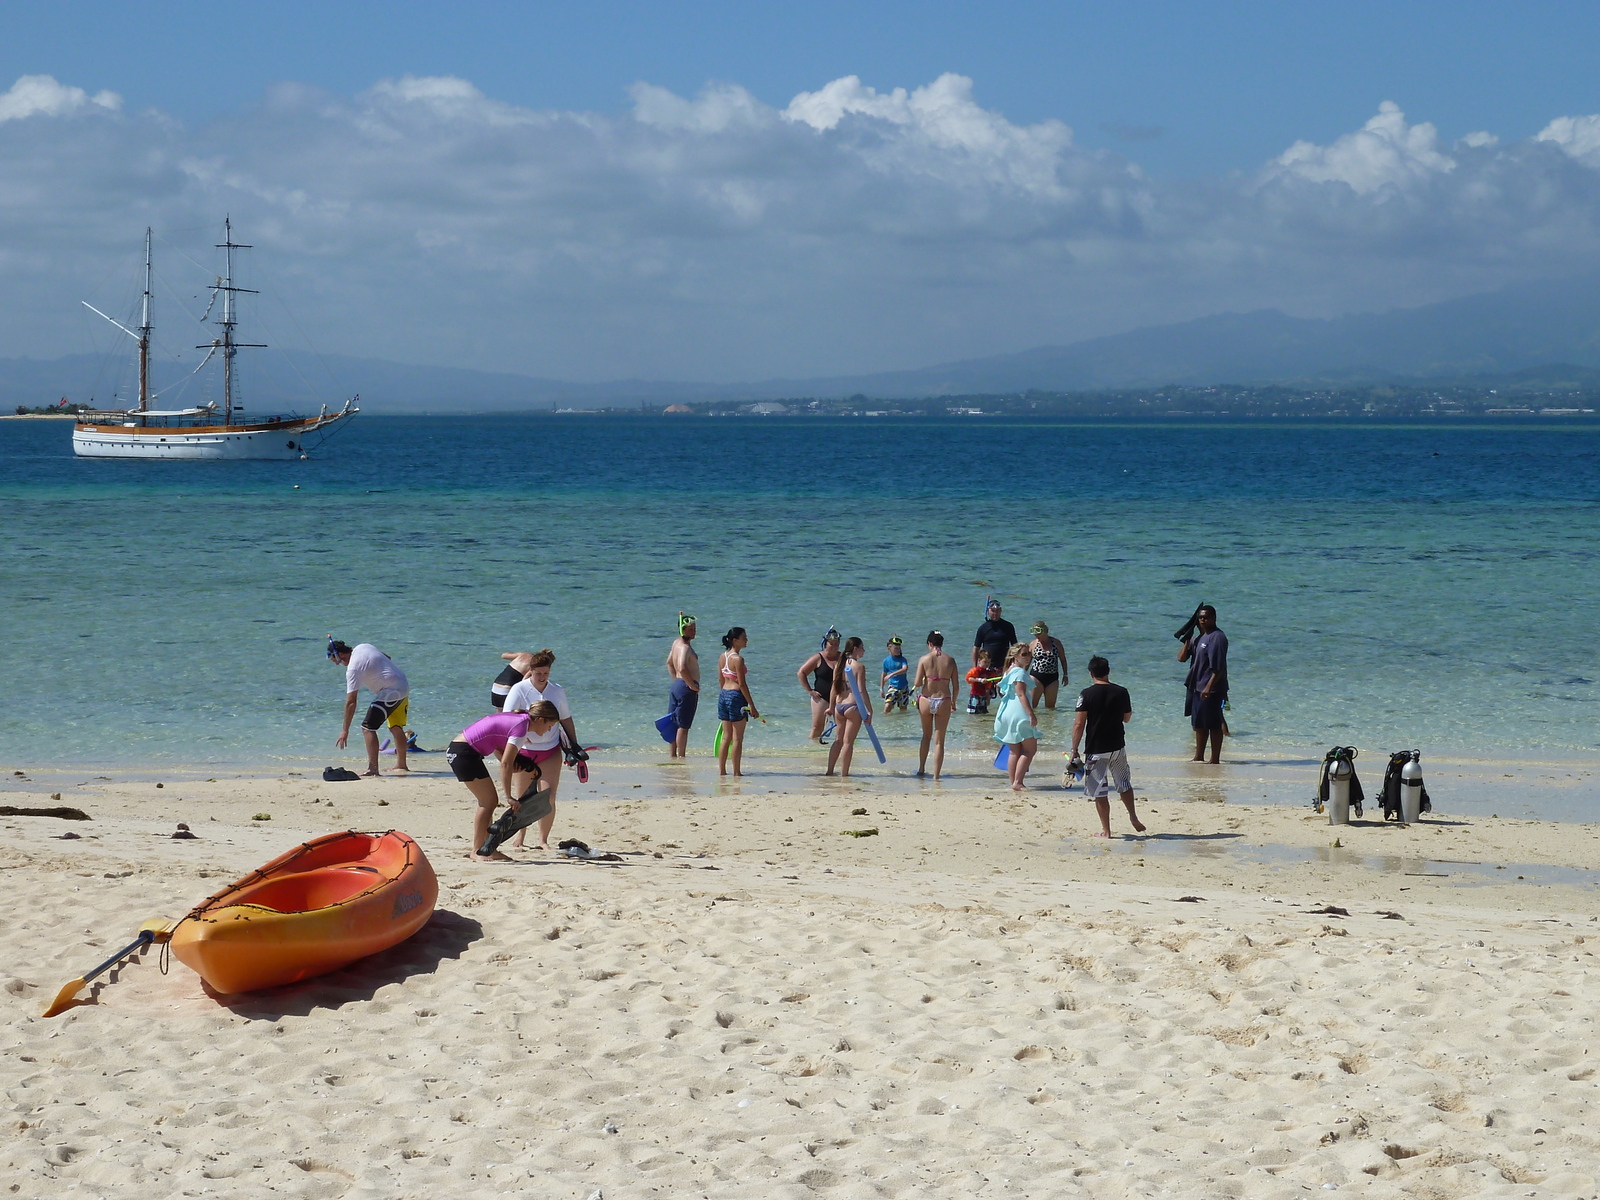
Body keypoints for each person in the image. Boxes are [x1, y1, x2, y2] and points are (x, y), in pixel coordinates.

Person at [445, 701, 560, 862]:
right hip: (463, 753)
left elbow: (496, 746)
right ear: (541, 719)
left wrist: (515, 765)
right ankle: (477, 850)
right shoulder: (521, 728)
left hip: (462, 751)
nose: (550, 730)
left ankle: (488, 849)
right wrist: (509, 796)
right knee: (488, 802)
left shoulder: (521, 720)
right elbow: (505, 764)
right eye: (550, 725)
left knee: (489, 801)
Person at [502, 649, 579, 851]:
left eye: (546, 673)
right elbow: (506, 718)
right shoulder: (519, 689)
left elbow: (566, 718)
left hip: (550, 749)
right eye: (538, 673)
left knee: (548, 796)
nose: (542, 677)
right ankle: (520, 834)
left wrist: (574, 744)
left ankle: (543, 839)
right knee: (522, 798)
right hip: (525, 750)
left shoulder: (556, 691)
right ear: (531, 671)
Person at [1069, 656, 1146, 837]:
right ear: (1108, 671)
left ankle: (1106, 831)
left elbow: (1079, 725)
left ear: (1091, 673)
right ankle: (1133, 816)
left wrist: (1074, 750)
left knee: (1099, 791)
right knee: (1124, 783)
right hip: (1117, 746)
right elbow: (1127, 718)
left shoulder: (1085, 694)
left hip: (1096, 749)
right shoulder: (1122, 692)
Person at [328, 638, 409, 776]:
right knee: (395, 726)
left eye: (334, 659)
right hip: (403, 684)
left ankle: (373, 769)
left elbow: (351, 702)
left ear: (340, 654)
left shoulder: (352, 669)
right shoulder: (363, 646)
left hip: (391, 691)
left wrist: (344, 730)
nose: (336, 664)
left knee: (367, 727)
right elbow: (387, 657)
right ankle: (401, 764)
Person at [1178, 604, 1229, 764]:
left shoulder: (1217, 637)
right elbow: (1181, 658)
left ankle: (1214, 759)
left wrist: (1209, 686)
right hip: (1196, 686)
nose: (1202, 620)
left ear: (1213, 618)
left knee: (1214, 724)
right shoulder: (1199, 638)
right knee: (1198, 724)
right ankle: (1198, 756)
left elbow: (1218, 667)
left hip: (1212, 689)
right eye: (1200, 617)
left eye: (1206, 617)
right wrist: (1187, 639)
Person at [912, 630, 959, 780]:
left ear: (929, 644)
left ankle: (921, 769)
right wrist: (954, 701)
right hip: (944, 699)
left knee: (926, 736)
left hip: (926, 699)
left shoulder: (924, 659)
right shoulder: (950, 660)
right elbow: (956, 686)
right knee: (939, 741)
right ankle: (936, 775)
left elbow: (917, 683)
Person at [992, 643, 1040, 791]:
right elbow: (1021, 694)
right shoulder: (1019, 672)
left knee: (1014, 750)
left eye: (1028, 654)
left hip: (1007, 712)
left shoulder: (1009, 670)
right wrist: (1031, 714)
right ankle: (1018, 782)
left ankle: (1014, 782)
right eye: (1024, 654)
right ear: (1015, 656)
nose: (1028, 658)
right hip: (1019, 713)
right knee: (1030, 750)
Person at [716, 627, 760, 777]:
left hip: (724, 694)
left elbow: (721, 680)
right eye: (744, 638)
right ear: (735, 640)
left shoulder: (723, 657)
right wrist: (752, 706)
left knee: (726, 737)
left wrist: (725, 695)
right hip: (736, 695)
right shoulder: (738, 659)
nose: (746, 640)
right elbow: (742, 684)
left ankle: (722, 771)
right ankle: (736, 772)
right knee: (737, 738)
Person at [825, 637, 871, 777]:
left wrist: (831, 707)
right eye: (862, 647)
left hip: (839, 705)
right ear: (855, 648)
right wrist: (870, 710)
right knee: (848, 743)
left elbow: (834, 687)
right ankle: (844, 774)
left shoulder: (839, 664)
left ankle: (830, 771)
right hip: (852, 707)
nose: (864, 650)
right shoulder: (859, 667)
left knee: (838, 740)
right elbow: (862, 691)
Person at [796, 628, 843, 742]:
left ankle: (841, 748)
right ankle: (813, 751)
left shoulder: (843, 658)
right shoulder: (818, 658)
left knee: (842, 727)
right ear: (825, 644)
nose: (834, 646)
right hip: (820, 697)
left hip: (840, 697)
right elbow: (801, 673)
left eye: (836, 644)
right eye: (831, 644)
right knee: (817, 727)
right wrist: (810, 691)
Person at [665, 612, 699, 758]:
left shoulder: (675, 643)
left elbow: (669, 662)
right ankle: (681, 757)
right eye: (690, 629)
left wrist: (676, 681)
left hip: (677, 686)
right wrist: (691, 685)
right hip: (685, 688)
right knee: (683, 726)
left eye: (694, 628)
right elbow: (681, 667)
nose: (694, 631)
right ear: (682, 630)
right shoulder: (684, 647)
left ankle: (673, 755)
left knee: (674, 722)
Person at [1027, 621, 1069, 710]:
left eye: (1039, 633)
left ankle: (1049, 724)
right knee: (1032, 706)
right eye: (1035, 634)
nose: (1037, 636)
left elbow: (1063, 659)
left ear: (1045, 631)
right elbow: (1027, 662)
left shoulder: (1056, 643)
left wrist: (1065, 675)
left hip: (1052, 677)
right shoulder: (1033, 644)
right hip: (1036, 676)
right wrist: (1022, 676)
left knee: (1050, 708)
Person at [973, 598, 1019, 672]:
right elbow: (976, 649)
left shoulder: (1008, 626)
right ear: (988, 611)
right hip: (986, 666)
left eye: (997, 610)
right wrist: (975, 668)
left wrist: (1016, 664)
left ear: (1001, 611)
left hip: (1004, 666)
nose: (995, 613)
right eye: (993, 611)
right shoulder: (983, 628)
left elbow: (1015, 647)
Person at [880, 636, 911, 714]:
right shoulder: (886, 661)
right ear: (889, 648)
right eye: (896, 648)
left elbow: (905, 669)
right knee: (887, 706)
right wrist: (881, 689)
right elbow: (883, 674)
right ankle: (885, 724)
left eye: (899, 648)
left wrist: (892, 674)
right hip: (893, 687)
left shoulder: (902, 659)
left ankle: (901, 725)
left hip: (904, 688)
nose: (898, 650)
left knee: (903, 710)